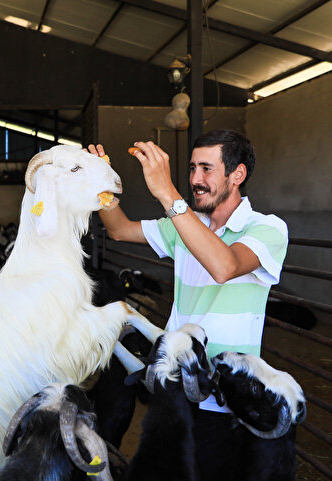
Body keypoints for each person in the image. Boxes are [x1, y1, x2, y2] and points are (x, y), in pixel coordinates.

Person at [88, 129, 288, 481]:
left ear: (237, 174)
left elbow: (224, 266)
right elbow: (118, 229)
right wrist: (99, 182)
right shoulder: (183, 225)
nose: (196, 179)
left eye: (207, 169)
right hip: (171, 390)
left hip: (223, 400)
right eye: (192, 168)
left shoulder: (267, 229)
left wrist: (167, 192)